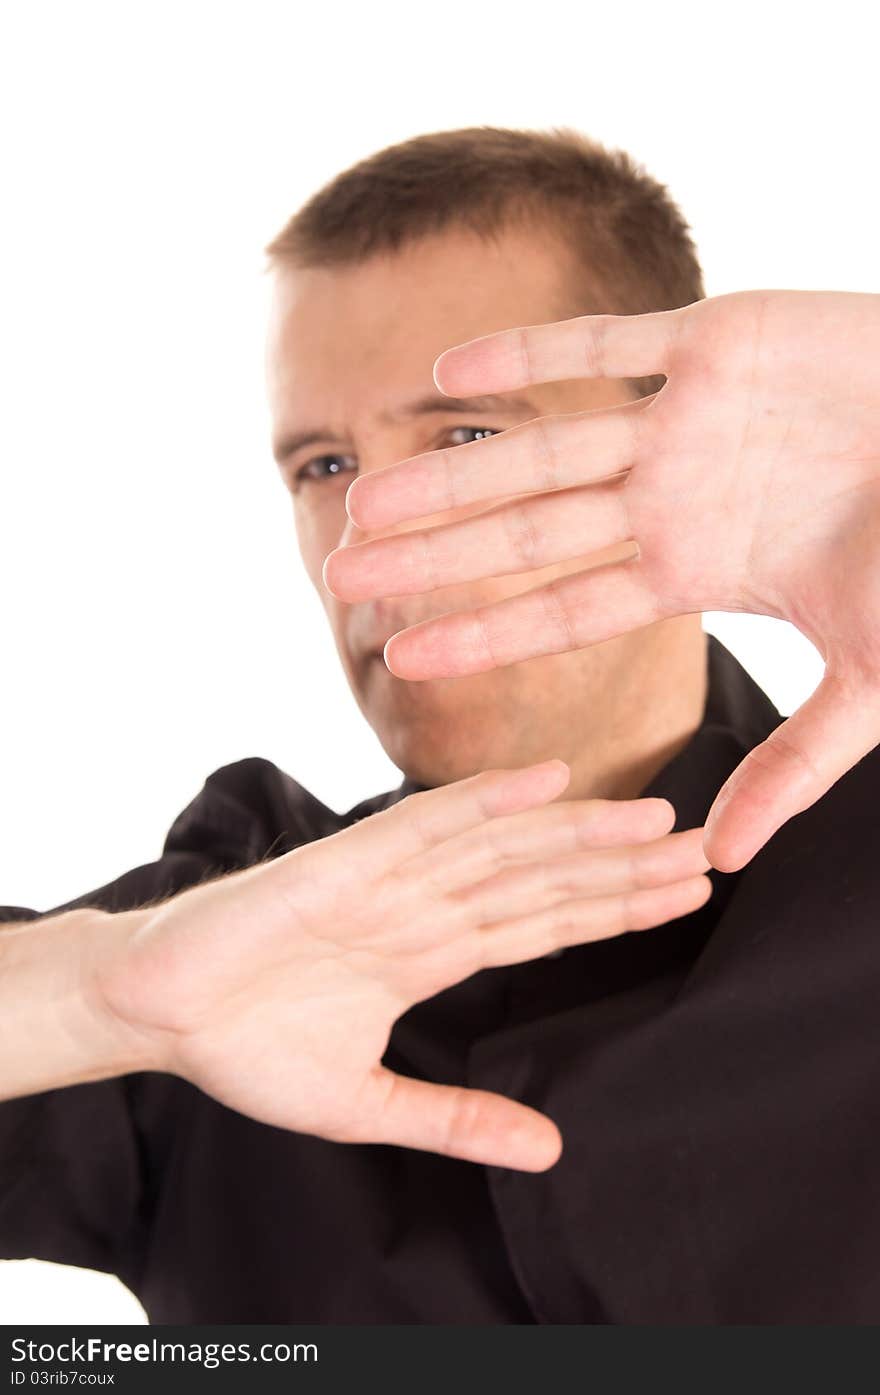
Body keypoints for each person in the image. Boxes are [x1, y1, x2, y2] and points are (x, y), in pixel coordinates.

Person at [0, 126, 878, 1325]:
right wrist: (91, 1000)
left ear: (685, 436)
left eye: (466, 438)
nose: (371, 547)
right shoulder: (212, 946)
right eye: (321, 466)